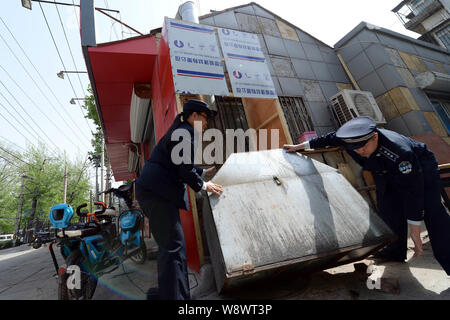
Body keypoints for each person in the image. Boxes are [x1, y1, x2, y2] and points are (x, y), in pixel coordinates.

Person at [284, 116, 450, 275]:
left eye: (364, 146)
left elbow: (413, 191)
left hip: (420, 168)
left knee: (432, 212)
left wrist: (415, 228)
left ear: (375, 137)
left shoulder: (399, 152)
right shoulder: (352, 140)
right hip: (383, 169)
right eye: (356, 148)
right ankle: (395, 252)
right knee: (387, 208)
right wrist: (300, 146)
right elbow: (330, 138)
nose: (360, 151)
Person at [135, 99, 224, 300]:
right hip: (157, 193)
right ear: (194, 116)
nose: (207, 124)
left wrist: (200, 172)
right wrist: (204, 185)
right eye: (205, 119)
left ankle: (171, 294)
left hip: (154, 191)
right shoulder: (186, 132)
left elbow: (178, 163)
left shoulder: (181, 129)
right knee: (174, 248)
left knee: (172, 247)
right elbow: (183, 169)